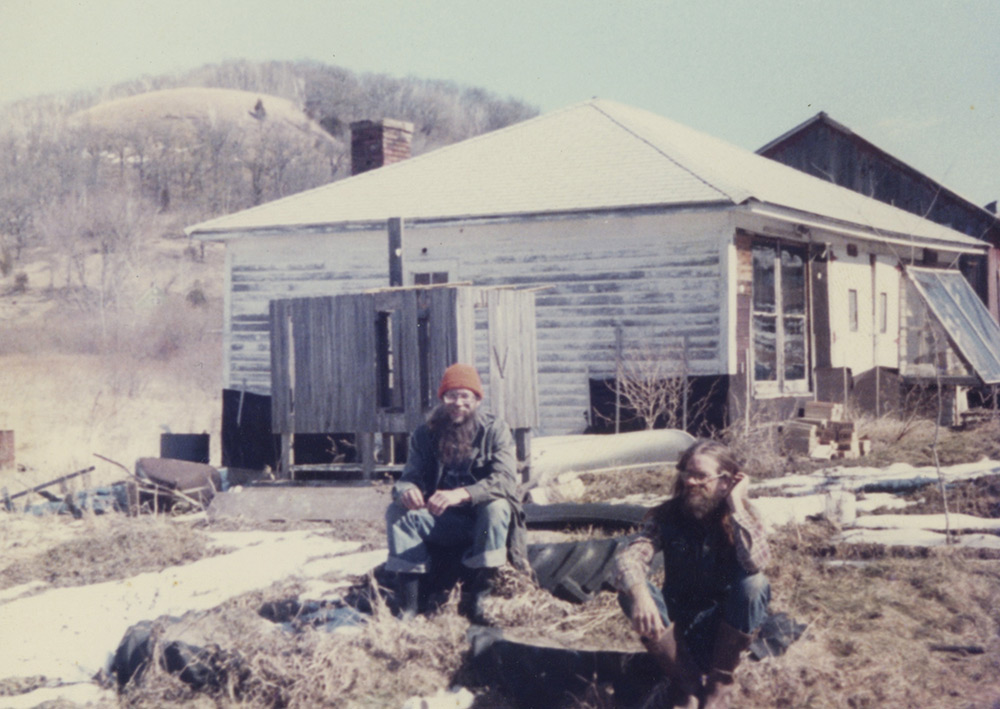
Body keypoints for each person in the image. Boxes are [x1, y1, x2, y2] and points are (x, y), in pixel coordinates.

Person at [612, 439, 771, 709]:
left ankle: (719, 686)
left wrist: (735, 506)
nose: (691, 482)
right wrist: (639, 593)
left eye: (701, 476)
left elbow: (756, 563)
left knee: (755, 584)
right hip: (677, 632)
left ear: (726, 481)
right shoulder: (667, 516)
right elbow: (630, 555)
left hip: (724, 630)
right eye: (688, 473)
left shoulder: (742, 516)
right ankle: (686, 686)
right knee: (631, 590)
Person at [384, 363, 523, 622]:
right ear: (442, 399)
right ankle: (411, 603)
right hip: (443, 522)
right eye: (451, 396)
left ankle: (479, 600)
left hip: (481, 525)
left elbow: (505, 481)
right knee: (397, 512)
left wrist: (462, 494)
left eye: (465, 396)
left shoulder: (495, 431)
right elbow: (408, 477)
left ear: (477, 400)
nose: (458, 403)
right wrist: (407, 490)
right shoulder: (425, 434)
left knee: (497, 507)